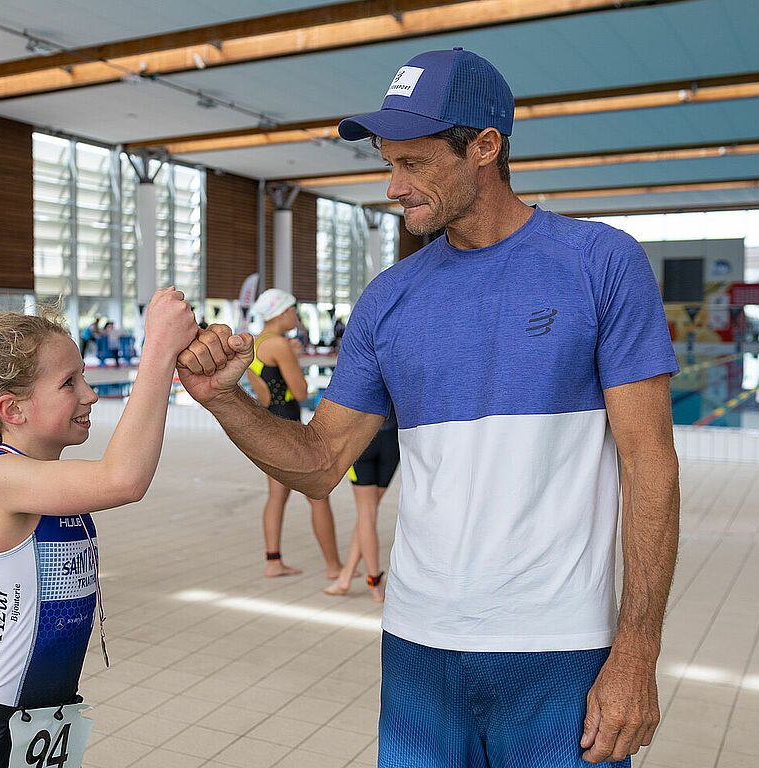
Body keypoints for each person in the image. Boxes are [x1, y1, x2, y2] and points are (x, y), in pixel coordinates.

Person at [176, 48, 679, 767]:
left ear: (484, 148)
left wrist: (637, 651)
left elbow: (651, 462)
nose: (392, 186)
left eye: (412, 163)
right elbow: (320, 465)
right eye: (388, 162)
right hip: (419, 646)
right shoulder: (389, 298)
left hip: (558, 646)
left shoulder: (599, 263)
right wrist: (224, 402)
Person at [0, 288, 196, 767]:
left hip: (40, 725)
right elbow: (123, 479)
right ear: (14, 410)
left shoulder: (46, 480)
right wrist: (158, 352)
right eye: (70, 383)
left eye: (84, 376)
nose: (89, 394)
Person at [244, 288, 341, 579]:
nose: (296, 316)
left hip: (267, 427)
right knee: (318, 495)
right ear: (282, 312)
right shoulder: (280, 346)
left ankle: (273, 561)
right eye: (293, 311)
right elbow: (299, 392)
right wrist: (294, 362)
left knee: (276, 495)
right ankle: (335, 567)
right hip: (290, 429)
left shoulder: (255, 343)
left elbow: (266, 386)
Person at [323, 404, 398, 601]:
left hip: (361, 441)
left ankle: (374, 582)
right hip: (391, 441)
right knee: (369, 514)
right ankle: (345, 576)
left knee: (367, 514)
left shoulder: (357, 372)